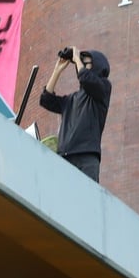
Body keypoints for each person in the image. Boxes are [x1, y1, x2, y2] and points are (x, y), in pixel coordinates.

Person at [39, 46, 112, 182]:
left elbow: (86, 79)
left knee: (86, 199)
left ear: (98, 66)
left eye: (87, 63)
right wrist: (57, 70)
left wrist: (77, 58)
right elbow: (46, 100)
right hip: (65, 157)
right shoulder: (71, 99)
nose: (83, 66)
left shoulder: (103, 88)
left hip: (87, 157)